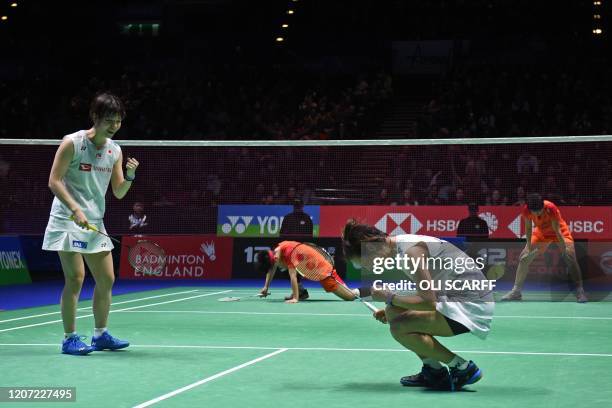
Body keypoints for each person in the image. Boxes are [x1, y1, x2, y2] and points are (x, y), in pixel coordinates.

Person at [342, 219, 494, 391]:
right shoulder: (401, 247)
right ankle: (434, 372)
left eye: (365, 262)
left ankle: (462, 368)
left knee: (399, 327)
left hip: (471, 305)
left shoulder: (410, 252)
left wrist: (390, 296)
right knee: (393, 311)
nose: (368, 268)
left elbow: (429, 301)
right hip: (459, 298)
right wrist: (392, 304)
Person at [42, 93, 139, 355]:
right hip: (67, 219)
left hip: (94, 221)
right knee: (75, 278)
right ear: (95, 117)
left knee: (107, 278)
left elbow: (118, 192)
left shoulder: (114, 150)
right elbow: (54, 181)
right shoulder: (72, 143)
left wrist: (129, 176)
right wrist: (75, 209)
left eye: (118, 121)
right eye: (109, 120)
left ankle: (100, 334)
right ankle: (69, 338)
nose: (114, 126)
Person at [501, 193, 587, 303]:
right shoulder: (526, 210)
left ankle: (580, 291)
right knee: (523, 258)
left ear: (543, 206)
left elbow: (557, 231)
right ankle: (516, 292)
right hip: (541, 232)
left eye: (539, 210)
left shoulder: (550, 208)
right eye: (534, 211)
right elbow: (528, 229)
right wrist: (529, 246)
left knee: (570, 257)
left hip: (560, 232)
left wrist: (564, 249)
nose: (537, 213)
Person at [254, 241, 360, 303]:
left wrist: (295, 298)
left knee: (350, 297)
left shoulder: (289, 253)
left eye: (272, 265)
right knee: (283, 269)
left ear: (274, 259)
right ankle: (301, 293)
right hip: (307, 266)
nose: (272, 268)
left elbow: (293, 276)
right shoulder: (277, 250)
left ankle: (368, 290)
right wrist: (266, 287)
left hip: (322, 269)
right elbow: (271, 269)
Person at [279, 199, 314, 299]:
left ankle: (298, 293)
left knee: (296, 272)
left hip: (302, 250)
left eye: (299, 205)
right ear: (293, 206)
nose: (298, 207)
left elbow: (310, 236)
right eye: (296, 205)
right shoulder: (287, 218)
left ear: (302, 206)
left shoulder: (307, 218)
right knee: (284, 270)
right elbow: (282, 235)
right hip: (289, 251)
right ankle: (300, 291)